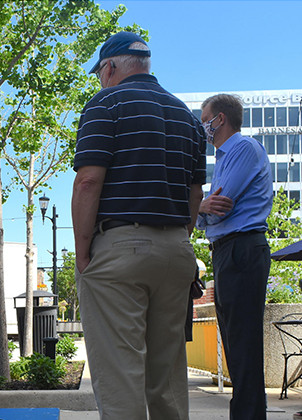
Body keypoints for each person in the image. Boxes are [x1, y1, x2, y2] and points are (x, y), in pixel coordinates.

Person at [71, 31, 206, 419]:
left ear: (109, 67)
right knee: (167, 374)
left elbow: (88, 181)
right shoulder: (187, 116)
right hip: (177, 250)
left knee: (120, 374)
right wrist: (180, 238)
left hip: (120, 249)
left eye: (100, 72)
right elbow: (194, 193)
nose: (100, 79)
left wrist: (83, 254)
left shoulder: (105, 103)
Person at [196, 93, 272, 420]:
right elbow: (206, 212)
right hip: (228, 250)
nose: (203, 127)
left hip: (241, 248)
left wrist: (199, 209)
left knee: (242, 345)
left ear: (221, 119)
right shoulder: (224, 159)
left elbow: (219, 205)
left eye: (205, 119)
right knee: (235, 344)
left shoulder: (243, 149)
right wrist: (201, 209)